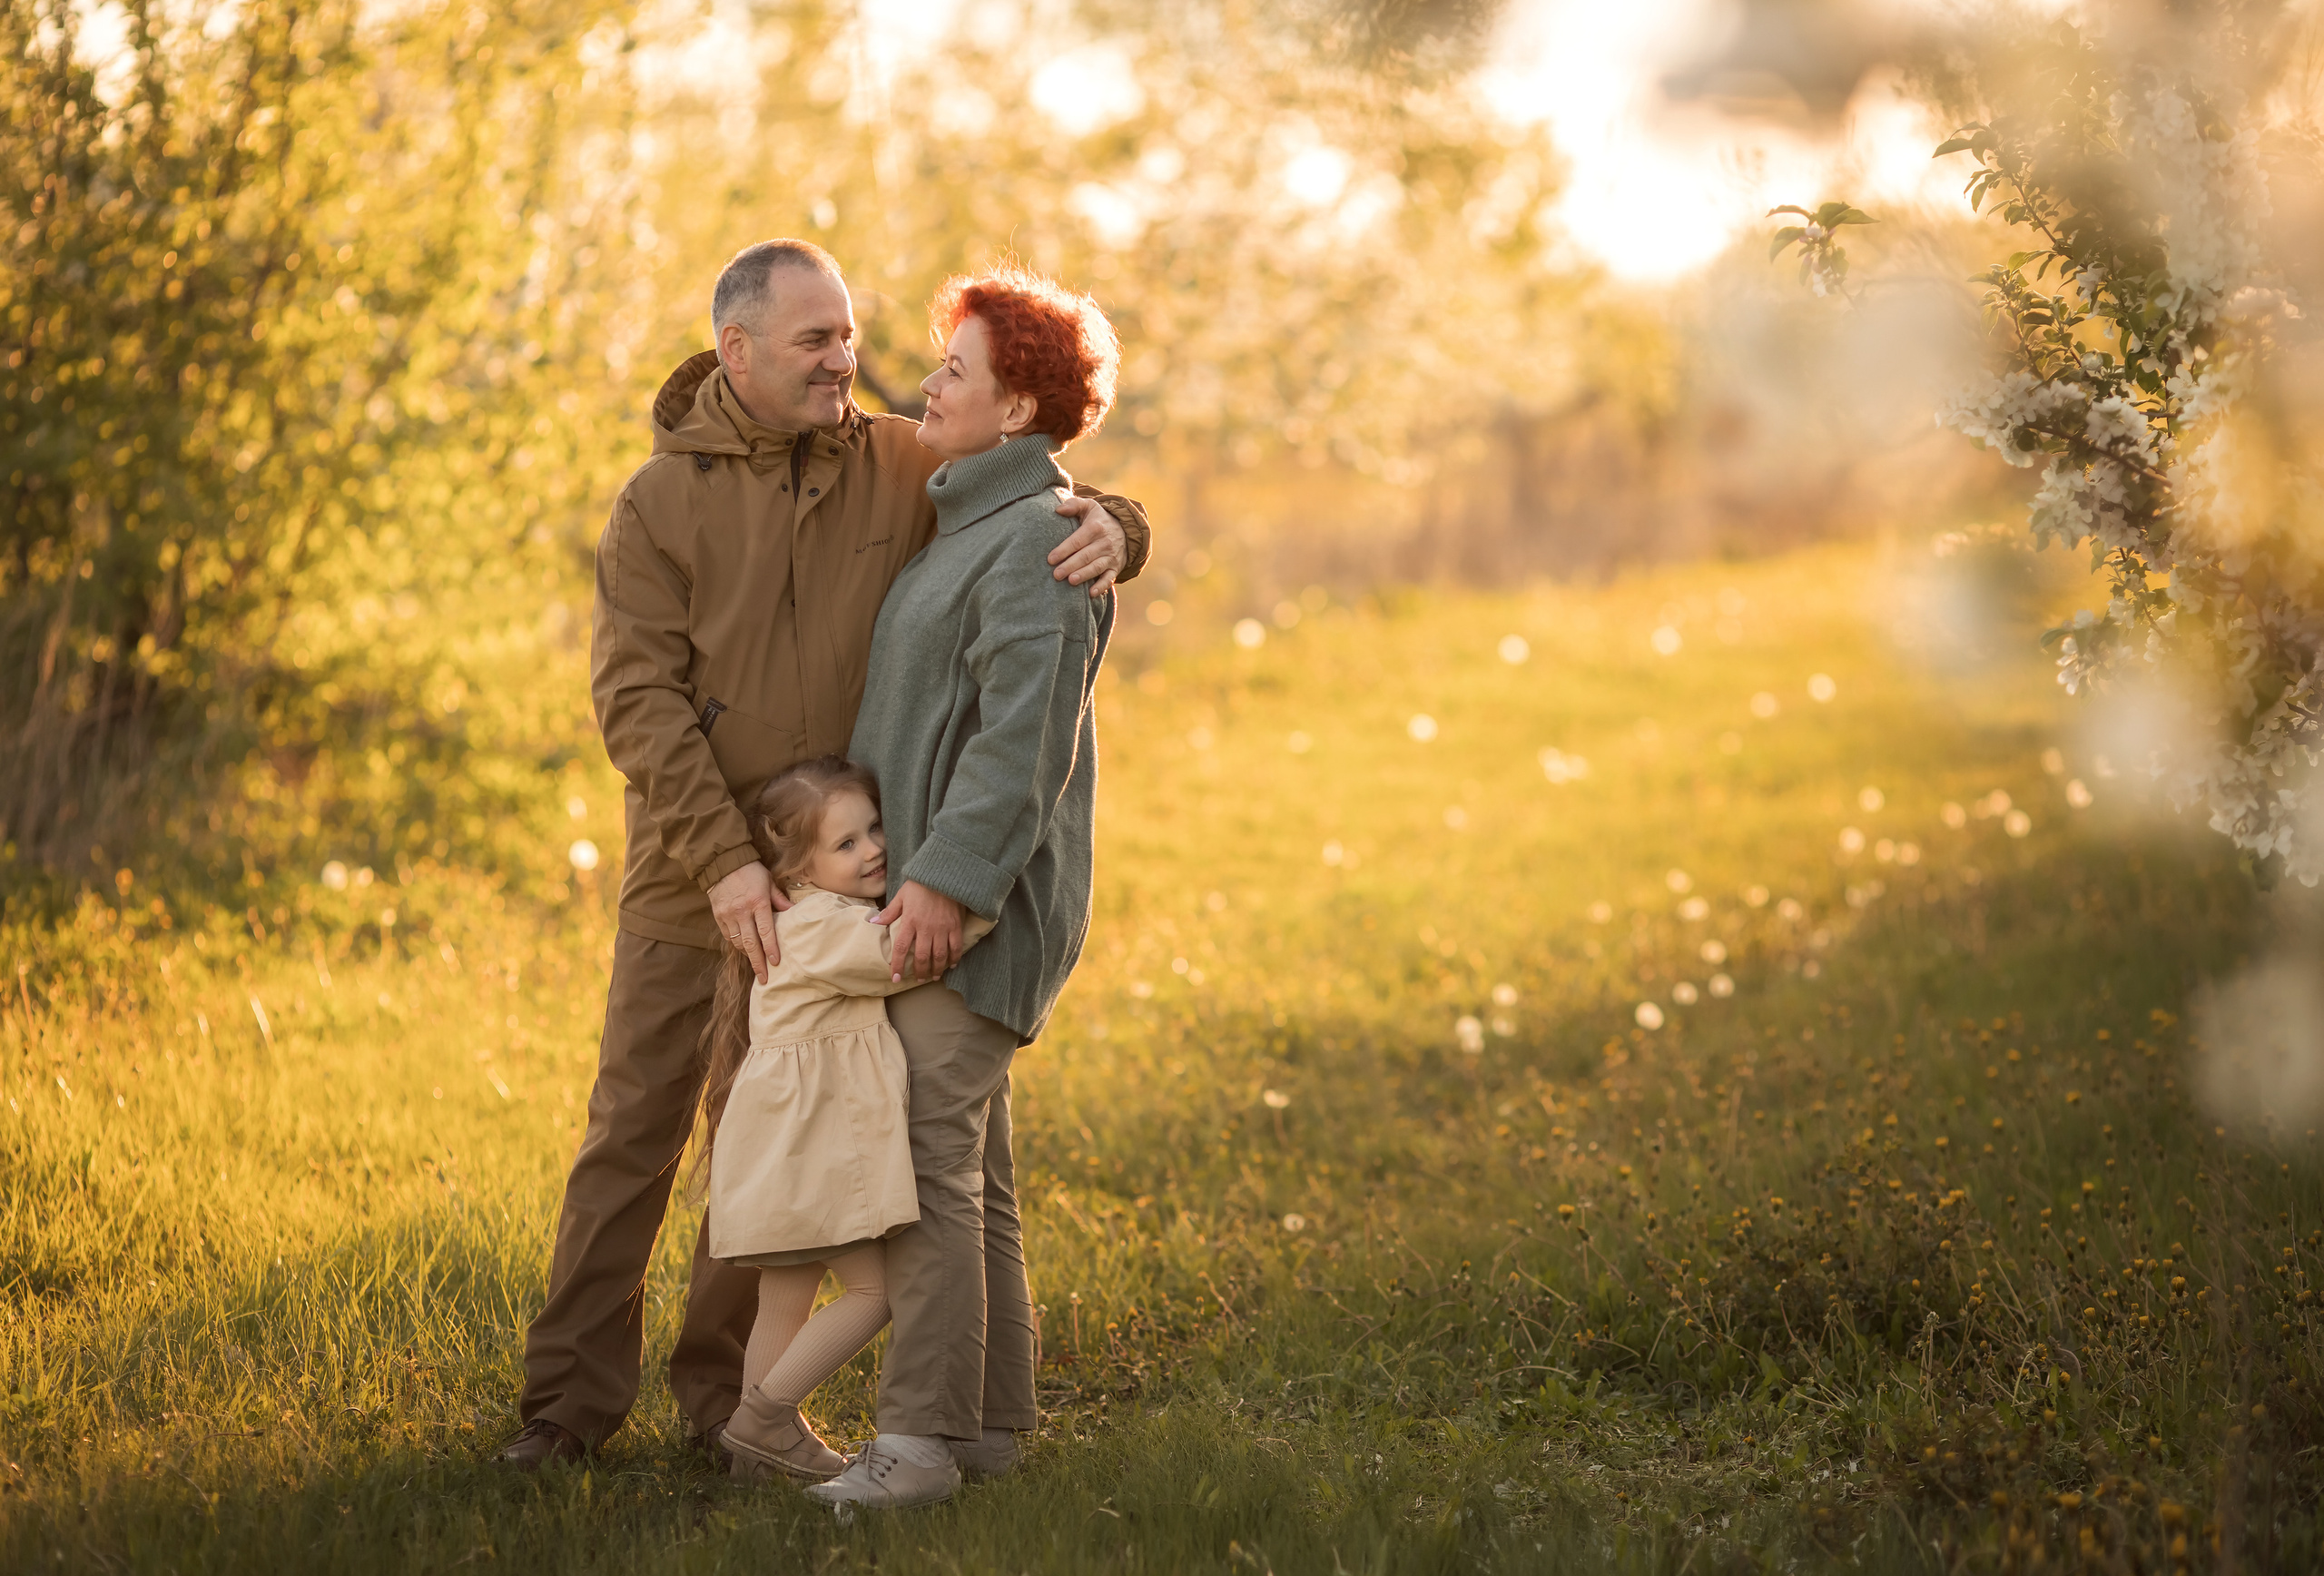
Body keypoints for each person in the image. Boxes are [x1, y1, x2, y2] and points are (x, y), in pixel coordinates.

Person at [498, 240, 1150, 1470]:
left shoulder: (896, 459)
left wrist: (1117, 522)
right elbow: (636, 699)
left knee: (777, 1139)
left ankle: (726, 1407)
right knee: (635, 1129)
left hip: (844, 891)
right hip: (699, 880)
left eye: (850, 335)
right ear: (737, 351)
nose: (847, 359)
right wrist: (728, 866)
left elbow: (1029, 485)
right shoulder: (659, 504)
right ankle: (566, 1413)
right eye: (816, 340)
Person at [807, 265, 1123, 1510]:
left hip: (974, 909)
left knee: (928, 1167)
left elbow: (1020, 741)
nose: (929, 381)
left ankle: (919, 1445)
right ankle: (990, 1433)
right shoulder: (984, 520)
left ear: (1018, 408)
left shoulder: (1039, 536)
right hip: (939, 898)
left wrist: (945, 885)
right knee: (972, 1169)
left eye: (957, 370)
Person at [694, 755, 992, 1484]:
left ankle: (757, 1462)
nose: (876, 850)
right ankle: (762, 1418)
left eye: (875, 829)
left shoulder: (807, 917)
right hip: (813, 1145)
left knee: (786, 1296)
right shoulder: (821, 927)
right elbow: (903, 954)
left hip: (785, 1144)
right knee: (876, 1293)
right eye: (847, 844)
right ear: (798, 866)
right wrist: (976, 901)